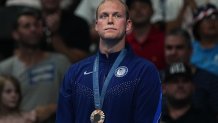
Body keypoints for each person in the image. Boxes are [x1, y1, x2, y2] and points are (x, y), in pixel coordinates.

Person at [56, 0, 162, 123]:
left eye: (117, 15)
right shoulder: (75, 72)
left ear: (128, 25)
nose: (110, 20)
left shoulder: (144, 71)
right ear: (96, 25)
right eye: (104, 16)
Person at [0, 8, 70, 123]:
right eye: (27, 26)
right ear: (15, 34)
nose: (33, 29)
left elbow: (80, 97)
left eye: (37, 25)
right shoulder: (4, 68)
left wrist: (52, 108)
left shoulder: (60, 62)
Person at [164, 28, 218, 121]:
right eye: (169, 48)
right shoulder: (155, 78)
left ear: (191, 51)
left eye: (179, 47)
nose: (173, 52)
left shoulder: (211, 81)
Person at [126, 0, 166, 70]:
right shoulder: (122, 43)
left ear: (152, 11)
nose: (138, 10)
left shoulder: (165, 40)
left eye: (143, 7)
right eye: (133, 8)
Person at [191, 3, 218, 76]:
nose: (212, 22)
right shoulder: (189, 49)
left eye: (215, 17)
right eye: (206, 18)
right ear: (197, 26)